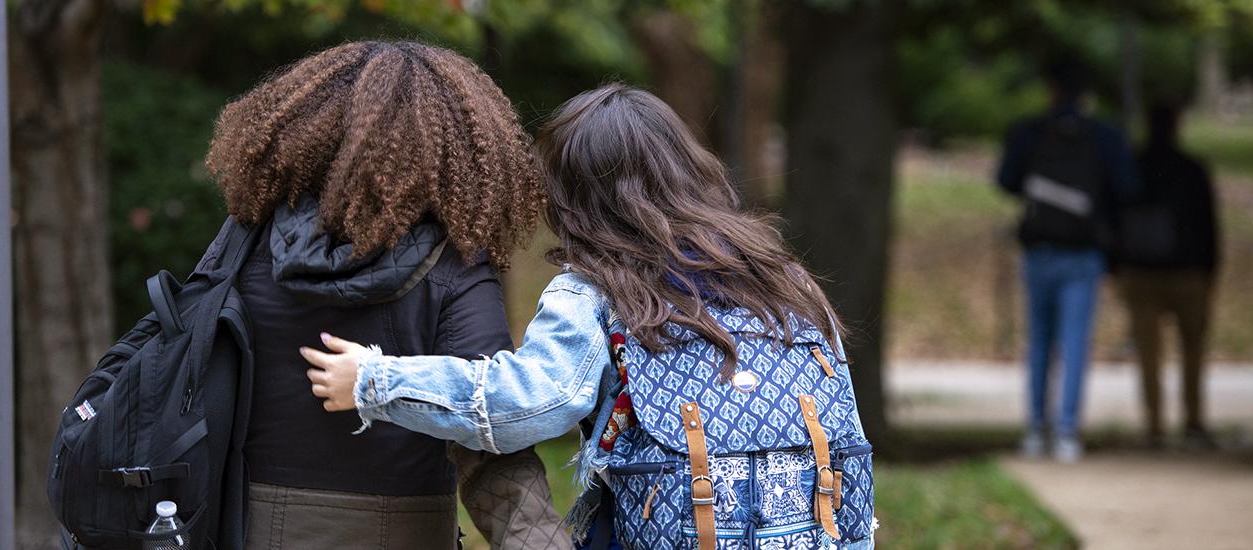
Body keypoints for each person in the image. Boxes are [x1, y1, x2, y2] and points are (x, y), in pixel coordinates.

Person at [300, 85, 876, 549]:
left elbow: (526, 404)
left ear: (570, 194)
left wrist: (378, 382)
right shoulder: (781, 276)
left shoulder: (596, 290)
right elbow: (845, 432)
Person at [203, 41, 569, 549]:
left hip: (247, 529)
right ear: (462, 154)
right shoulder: (456, 269)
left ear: (308, 132)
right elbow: (488, 437)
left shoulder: (243, 247)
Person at [996, 60, 1137, 462]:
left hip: (1039, 250)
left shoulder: (1030, 133)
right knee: (1074, 343)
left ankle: (1036, 428)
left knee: (1039, 342)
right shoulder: (1104, 137)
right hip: (1084, 253)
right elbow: (1126, 188)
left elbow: (1006, 181)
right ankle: (1067, 431)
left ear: (1052, 90)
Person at [1115, 103, 1220, 449]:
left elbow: (1116, 218)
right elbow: (1208, 226)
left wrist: (1117, 266)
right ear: (1177, 126)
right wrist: (1210, 270)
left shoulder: (1133, 167)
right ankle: (1192, 422)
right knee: (1193, 350)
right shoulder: (1191, 169)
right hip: (1187, 273)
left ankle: (1155, 425)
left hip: (1141, 272)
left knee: (1149, 353)